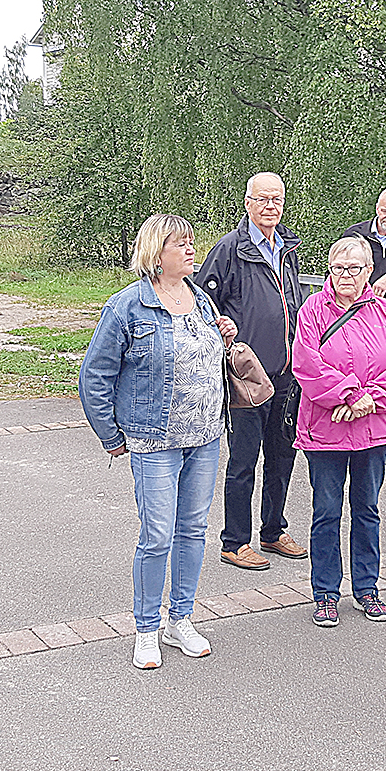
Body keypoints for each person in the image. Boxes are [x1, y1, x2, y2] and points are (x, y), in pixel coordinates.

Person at [80, 214, 237, 669]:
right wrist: (111, 435)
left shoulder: (202, 300)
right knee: (156, 536)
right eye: (181, 244)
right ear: (156, 252)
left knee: (193, 531)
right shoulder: (126, 307)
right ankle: (146, 629)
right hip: (154, 441)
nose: (191, 250)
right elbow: (95, 375)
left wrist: (225, 334)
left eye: (192, 243)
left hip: (205, 437)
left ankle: (180, 619)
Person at [292, 236, 386, 626]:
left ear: (369, 271)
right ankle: (325, 592)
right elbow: (306, 363)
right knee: (326, 511)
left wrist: (367, 400)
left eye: (355, 268)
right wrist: (348, 395)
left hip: (374, 428)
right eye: (339, 268)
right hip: (325, 429)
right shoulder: (313, 310)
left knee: (367, 509)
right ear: (330, 269)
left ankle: (367, 588)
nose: (346, 275)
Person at [198, 172, 308, 569]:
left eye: (277, 199)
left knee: (283, 457)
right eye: (262, 199)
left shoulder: (287, 248)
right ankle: (235, 541)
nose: (270, 207)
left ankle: (274, 531)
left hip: (286, 374)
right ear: (247, 202)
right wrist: (223, 333)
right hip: (246, 377)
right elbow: (202, 304)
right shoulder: (229, 249)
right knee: (244, 460)